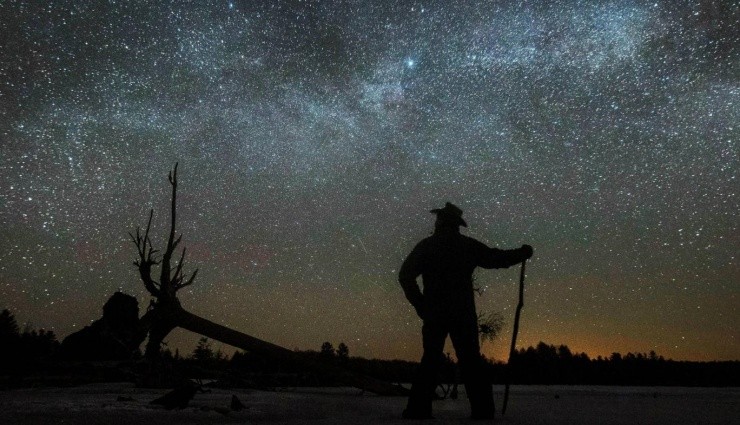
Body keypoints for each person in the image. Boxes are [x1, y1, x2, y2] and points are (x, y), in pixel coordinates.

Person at [399, 202, 533, 420]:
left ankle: (418, 410)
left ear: (440, 222)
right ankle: (483, 411)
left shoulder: (427, 246)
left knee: (430, 361)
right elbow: (495, 258)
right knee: (471, 362)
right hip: (462, 314)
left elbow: (405, 276)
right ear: (456, 224)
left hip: (436, 314)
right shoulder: (466, 246)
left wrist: (422, 306)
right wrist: (521, 254)